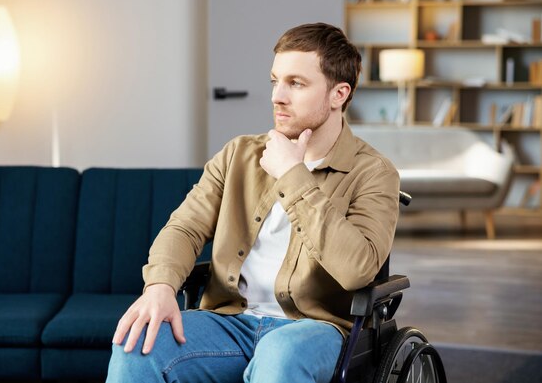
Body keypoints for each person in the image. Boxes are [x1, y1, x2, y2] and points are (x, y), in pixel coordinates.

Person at [106, 22, 400, 383]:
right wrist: (160, 287)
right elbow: (184, 227)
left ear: (339, 94)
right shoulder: (239, 155)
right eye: (275, 81)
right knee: (138, 345)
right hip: (230, 321)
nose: (278, 96)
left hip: (314, 328)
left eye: (296, 83)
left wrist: (294, 175)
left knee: (280, 356)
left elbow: (358, 268)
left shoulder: (374, 172)